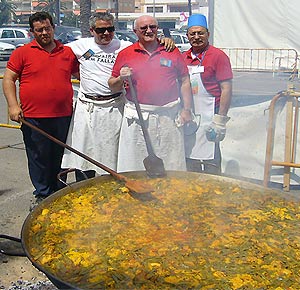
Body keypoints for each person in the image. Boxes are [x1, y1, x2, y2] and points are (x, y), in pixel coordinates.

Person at [61, 12, 176, 180]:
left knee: (112, 152)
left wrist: (166, 40)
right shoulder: (79, 46)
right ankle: (84, 187)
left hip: (115, 106)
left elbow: (147, 43)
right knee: (84, 151)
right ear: (92, 30)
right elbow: (55, 52)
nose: (106, 33)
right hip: (87, 108)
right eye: (101, 30)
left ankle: (110, 186)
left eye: (110, 29)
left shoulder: (123, 46)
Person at [2, 12, 79, 203]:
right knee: (39, 158)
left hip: (63, 116)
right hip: (33, 117)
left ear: (53, 28)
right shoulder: (22, 52)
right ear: (32, 32)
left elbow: (87, 74)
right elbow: (9, 79)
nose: (44, 33)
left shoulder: (67, 52)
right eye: (39, 30)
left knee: (62, 158)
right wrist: (13, 106)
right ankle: (43, 195)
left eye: (47, 28)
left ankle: (59, 193)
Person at [108, 15, 193, 172]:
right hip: (138, 117)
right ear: (135, 31)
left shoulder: (171, 50)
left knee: (171, 161)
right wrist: (121, 77)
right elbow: (112, 85)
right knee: (135, 163)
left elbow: (185, 80)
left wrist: (187, 109)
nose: (149, 30)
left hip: (168, 115)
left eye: (153, 27)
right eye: (144, 28)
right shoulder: (126, 53)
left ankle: (173, 192)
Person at [182, 14, 233, 174]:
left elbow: (227, 88)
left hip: (212, 112)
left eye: (201, 33)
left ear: (208, 34)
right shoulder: (183, 57)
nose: (197, 37)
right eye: (193, 34)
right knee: (190, 156)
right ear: (187, 36)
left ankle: (215, 189)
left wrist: (220, 120)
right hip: (191, 114)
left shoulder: (218, 56)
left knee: (211, 156)